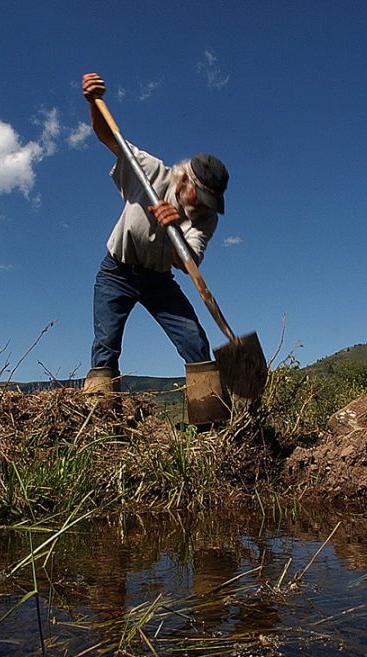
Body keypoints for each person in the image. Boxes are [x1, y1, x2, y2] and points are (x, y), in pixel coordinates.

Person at [80, 71, 230, 421]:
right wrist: (92, 102)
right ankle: (101, 427)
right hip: (116, 272)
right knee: (105, 349)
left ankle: (210, 426)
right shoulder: (148, 170)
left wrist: (176, 224)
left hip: (159, 280)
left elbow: (188, 262)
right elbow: (109, 138)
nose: (204, 206)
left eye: (210, 202)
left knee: (195, 340)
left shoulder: (205, 219)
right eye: (201, 197)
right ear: (185, 181)